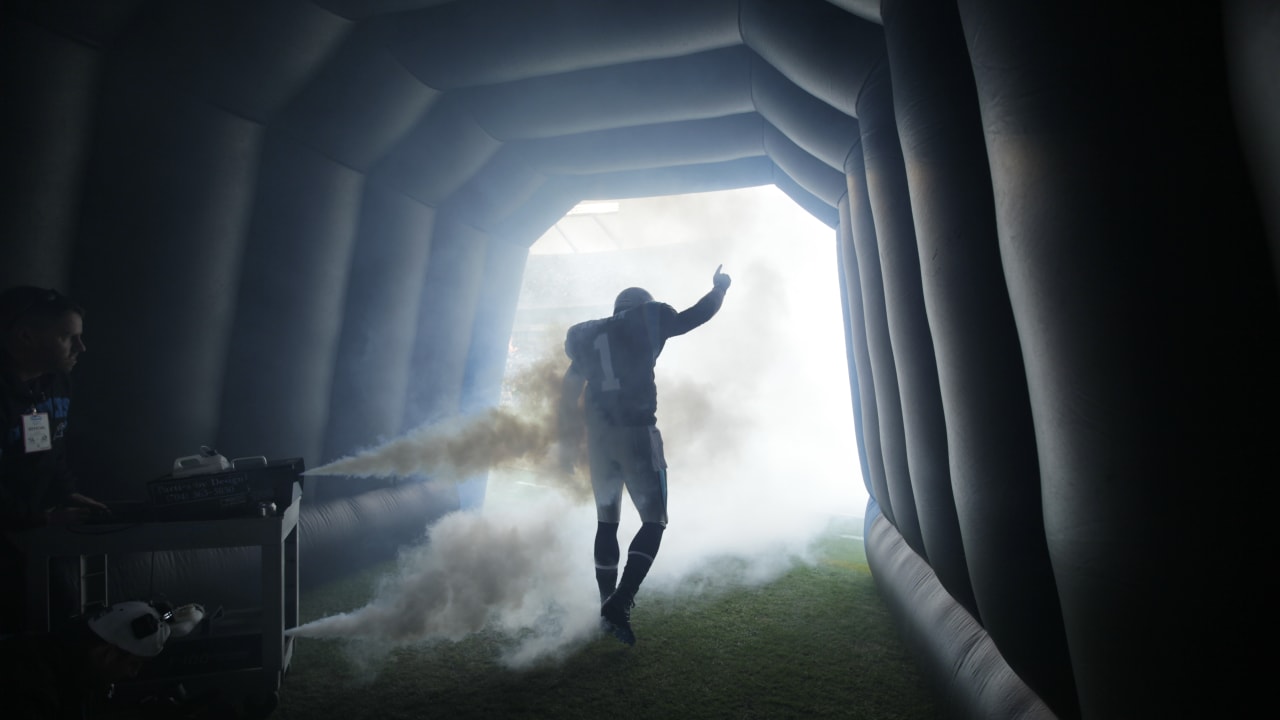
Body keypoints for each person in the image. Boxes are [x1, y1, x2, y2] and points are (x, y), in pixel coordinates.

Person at [559, 265, 732, 645]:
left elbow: (568, 390)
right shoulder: (645, 319)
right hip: (636, 433)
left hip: (599, 438)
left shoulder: (588, 335)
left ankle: (607, 603)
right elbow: (694, 317)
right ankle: (620, 602)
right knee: (654, 522)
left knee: (607, 523)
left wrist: (566, 439)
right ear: (642, 306)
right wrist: (719, 289)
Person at [1, 286, 110, 636]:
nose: (81, 348)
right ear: (25, 337)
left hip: (33, 528)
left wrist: (67, 494)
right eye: (67, 337)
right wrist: (41, 519)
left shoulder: (57, 382)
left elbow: (51, 446)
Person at [0, 599, 206, 719]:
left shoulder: (48, 655)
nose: (134, 673)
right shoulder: (33, 689)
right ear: (107, 654)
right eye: (134, 664)